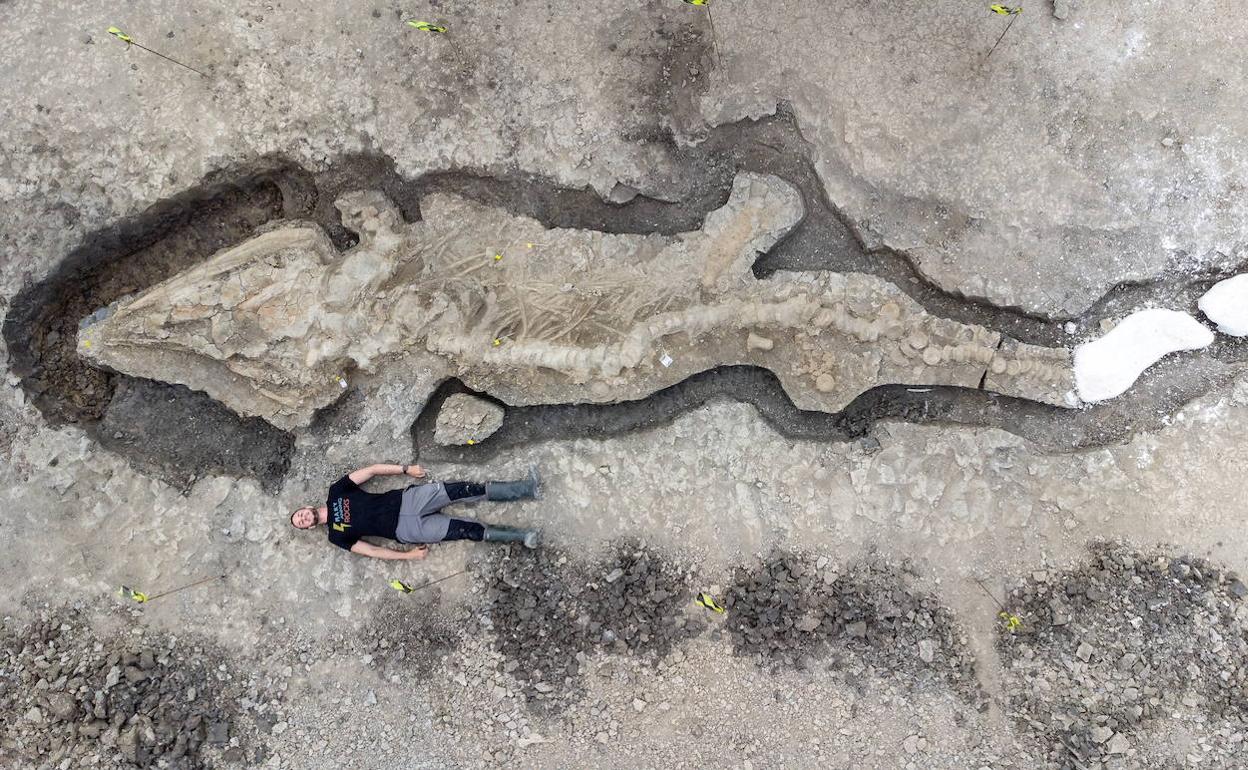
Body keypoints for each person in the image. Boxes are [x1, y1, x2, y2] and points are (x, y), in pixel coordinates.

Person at [289, 463, 540, 559]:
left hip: (409, 501)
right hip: (407, 529)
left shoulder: (336, 492)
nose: (302, 518)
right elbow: (373, 551)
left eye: (299, 514)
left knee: (464, 490)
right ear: (310, 526)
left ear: (306, 508)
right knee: (466, 530)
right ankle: (525, 536)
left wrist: (405, 469)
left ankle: (527, 488)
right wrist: (407, 556)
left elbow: (371, 470)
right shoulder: (336, 536)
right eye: (301, 523)